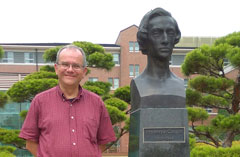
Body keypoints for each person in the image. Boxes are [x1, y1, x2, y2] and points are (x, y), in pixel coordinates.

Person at [19, 45, 116, 157]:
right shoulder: (40, 101)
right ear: (56, 68)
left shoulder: (96, 103)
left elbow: (102, 142)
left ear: (84, 72)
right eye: (65, 64)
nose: (70, 70)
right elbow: (30, 143)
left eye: (76, 66)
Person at [131, 8, 185, 110]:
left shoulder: (179, 85)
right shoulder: (138, 84)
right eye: (157, 33)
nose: (165, 40)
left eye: (170, 33)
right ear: (145, 39)